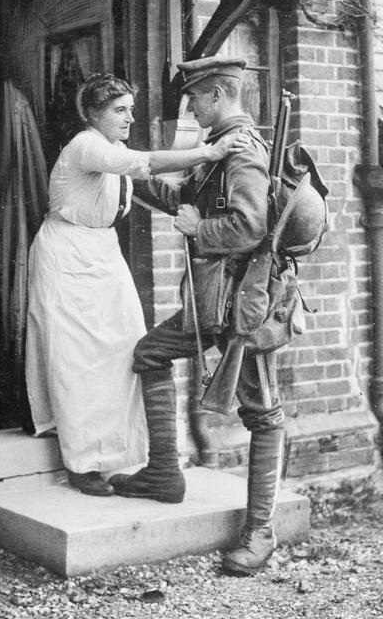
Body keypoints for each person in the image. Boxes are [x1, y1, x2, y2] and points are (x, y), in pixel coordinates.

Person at [25, 72, 248, 498]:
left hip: (103, 251)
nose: (129, 118)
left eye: (131, 109)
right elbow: (141, 163)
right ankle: (81, 462)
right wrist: (210, 150)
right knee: (75, 357)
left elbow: (155, 185)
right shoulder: (86, 145)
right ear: (94, 114)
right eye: (119, 110)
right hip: (67, 252)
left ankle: (118, 451)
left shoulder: (115, 150)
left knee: (125, 348)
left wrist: (207, 188)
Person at [109, 56, 285, 576]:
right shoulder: (220, 147)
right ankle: (164, 472)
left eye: (195, 99)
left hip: (245, 306)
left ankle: (261, 531)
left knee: (263, 412)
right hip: (213, 303)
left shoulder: (243, 151)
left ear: (218, 95)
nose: (191, 109)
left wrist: (197, 230)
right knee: (150, 353)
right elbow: (185, 199)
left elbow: (250, 227)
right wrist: (126, 165)